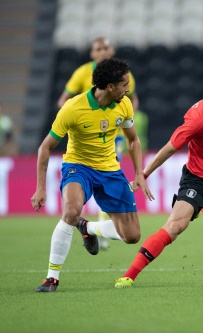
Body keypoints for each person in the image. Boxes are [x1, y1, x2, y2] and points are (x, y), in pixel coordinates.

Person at [114, 51, 203, 288]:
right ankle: (129, 274)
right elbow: (168, 149)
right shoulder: (200, 118)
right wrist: (143, 174)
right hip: (197, 180)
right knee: (175, 226)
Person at [31, 58, 152, 292]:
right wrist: (40, 187)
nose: (128, 89)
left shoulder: (124, 104)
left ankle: (88, 228)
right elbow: (45, 147)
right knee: (71, 211)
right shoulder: (73, 108)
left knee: (132, 236)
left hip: (110, 169)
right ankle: (51, 278)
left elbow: (133, 139)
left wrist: (139, 173)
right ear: (109, 87)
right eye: (124, 84)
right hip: (79, 166)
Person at [57, 37, 140, 249]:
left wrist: (125, 117)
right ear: (92, 54)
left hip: (114, 137)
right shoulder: (82, 73)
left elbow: (132, 99)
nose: (103, 51)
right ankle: (99, 227)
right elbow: (63, 100)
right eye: (98, 48)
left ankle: (98, 226)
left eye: (106, 48)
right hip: (85, 142)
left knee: (108, 176)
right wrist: (75, 124)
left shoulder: (124, 77)